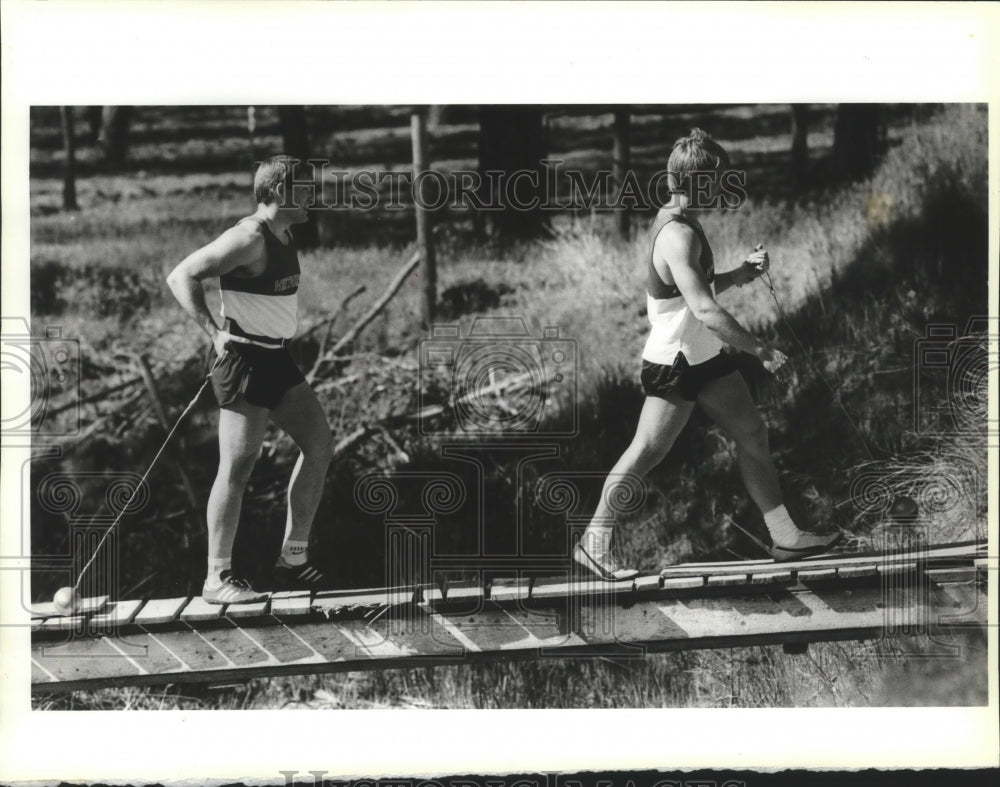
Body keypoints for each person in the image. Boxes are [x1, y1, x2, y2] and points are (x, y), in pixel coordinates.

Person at [573, 129, 842, 581]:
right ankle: (593, 544)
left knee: (752, 433)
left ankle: (785, 537)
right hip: (676, 363)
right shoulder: (677, 235)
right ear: (695, 181)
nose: (722, 187)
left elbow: (691, 293)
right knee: (645, 454)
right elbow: (701, 307)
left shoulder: (686, 222)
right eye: (716, 179)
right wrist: (757, 349)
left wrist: (739, 273)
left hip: (704, 356)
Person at [167, 155, 335, 603]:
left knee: (319, 444)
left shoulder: (285, 232)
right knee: (237, 469)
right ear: (279, 191)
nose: (313, 194)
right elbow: (181, 275)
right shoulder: (247, 237)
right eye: (305, 186)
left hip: (277, 361)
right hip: (244, 362)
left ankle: (292, 560)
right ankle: (216, 579)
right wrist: (213, 332)